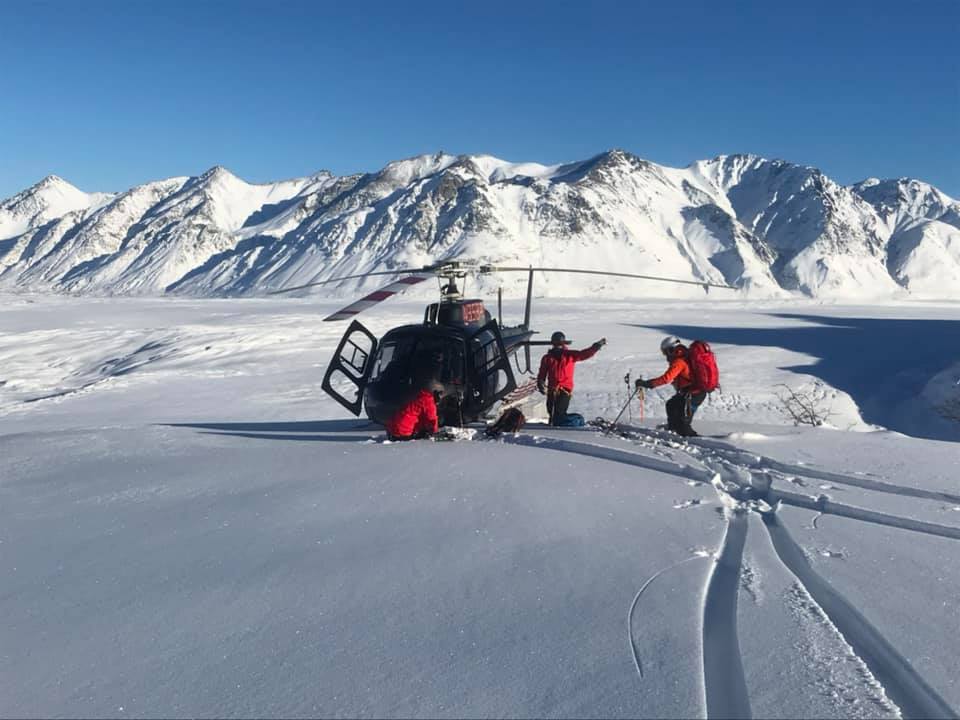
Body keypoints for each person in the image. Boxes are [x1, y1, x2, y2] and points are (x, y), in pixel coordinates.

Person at [636, 336, 705, 437]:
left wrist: (647, 384)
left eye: (665, 352)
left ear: (671, 349)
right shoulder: (684, 356)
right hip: (689, 392)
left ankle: (695, 439)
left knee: (683, 423)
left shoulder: (679, 361)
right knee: (671, 405)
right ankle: (673, 429)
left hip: (694, 394)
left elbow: (666, 379)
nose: (665, 355)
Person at [537, 331, 606, 425]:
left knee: (559, 413)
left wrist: (596, 346)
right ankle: (553, 427)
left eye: (559, 344)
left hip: (564, 389)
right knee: (551, 413)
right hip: (552, 389)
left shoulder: (569, 355)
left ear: (563, 344)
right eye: (555, 344)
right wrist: (540, 382)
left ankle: (577, 420)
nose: (557, 346)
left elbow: (585, 354)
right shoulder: (547, 358)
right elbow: (542, 373)